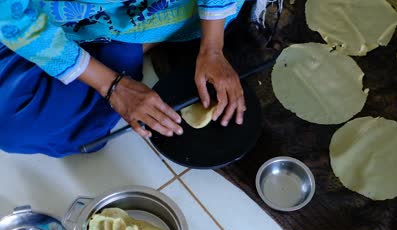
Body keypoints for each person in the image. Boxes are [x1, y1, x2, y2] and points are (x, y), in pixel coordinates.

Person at [0, 0, 246, 157]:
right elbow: (12, 19)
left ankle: (132, 43)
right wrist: (111, 85)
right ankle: (127, 49)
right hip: (58, 20)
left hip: (167, 7)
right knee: (11, 130)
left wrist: (212, 47)